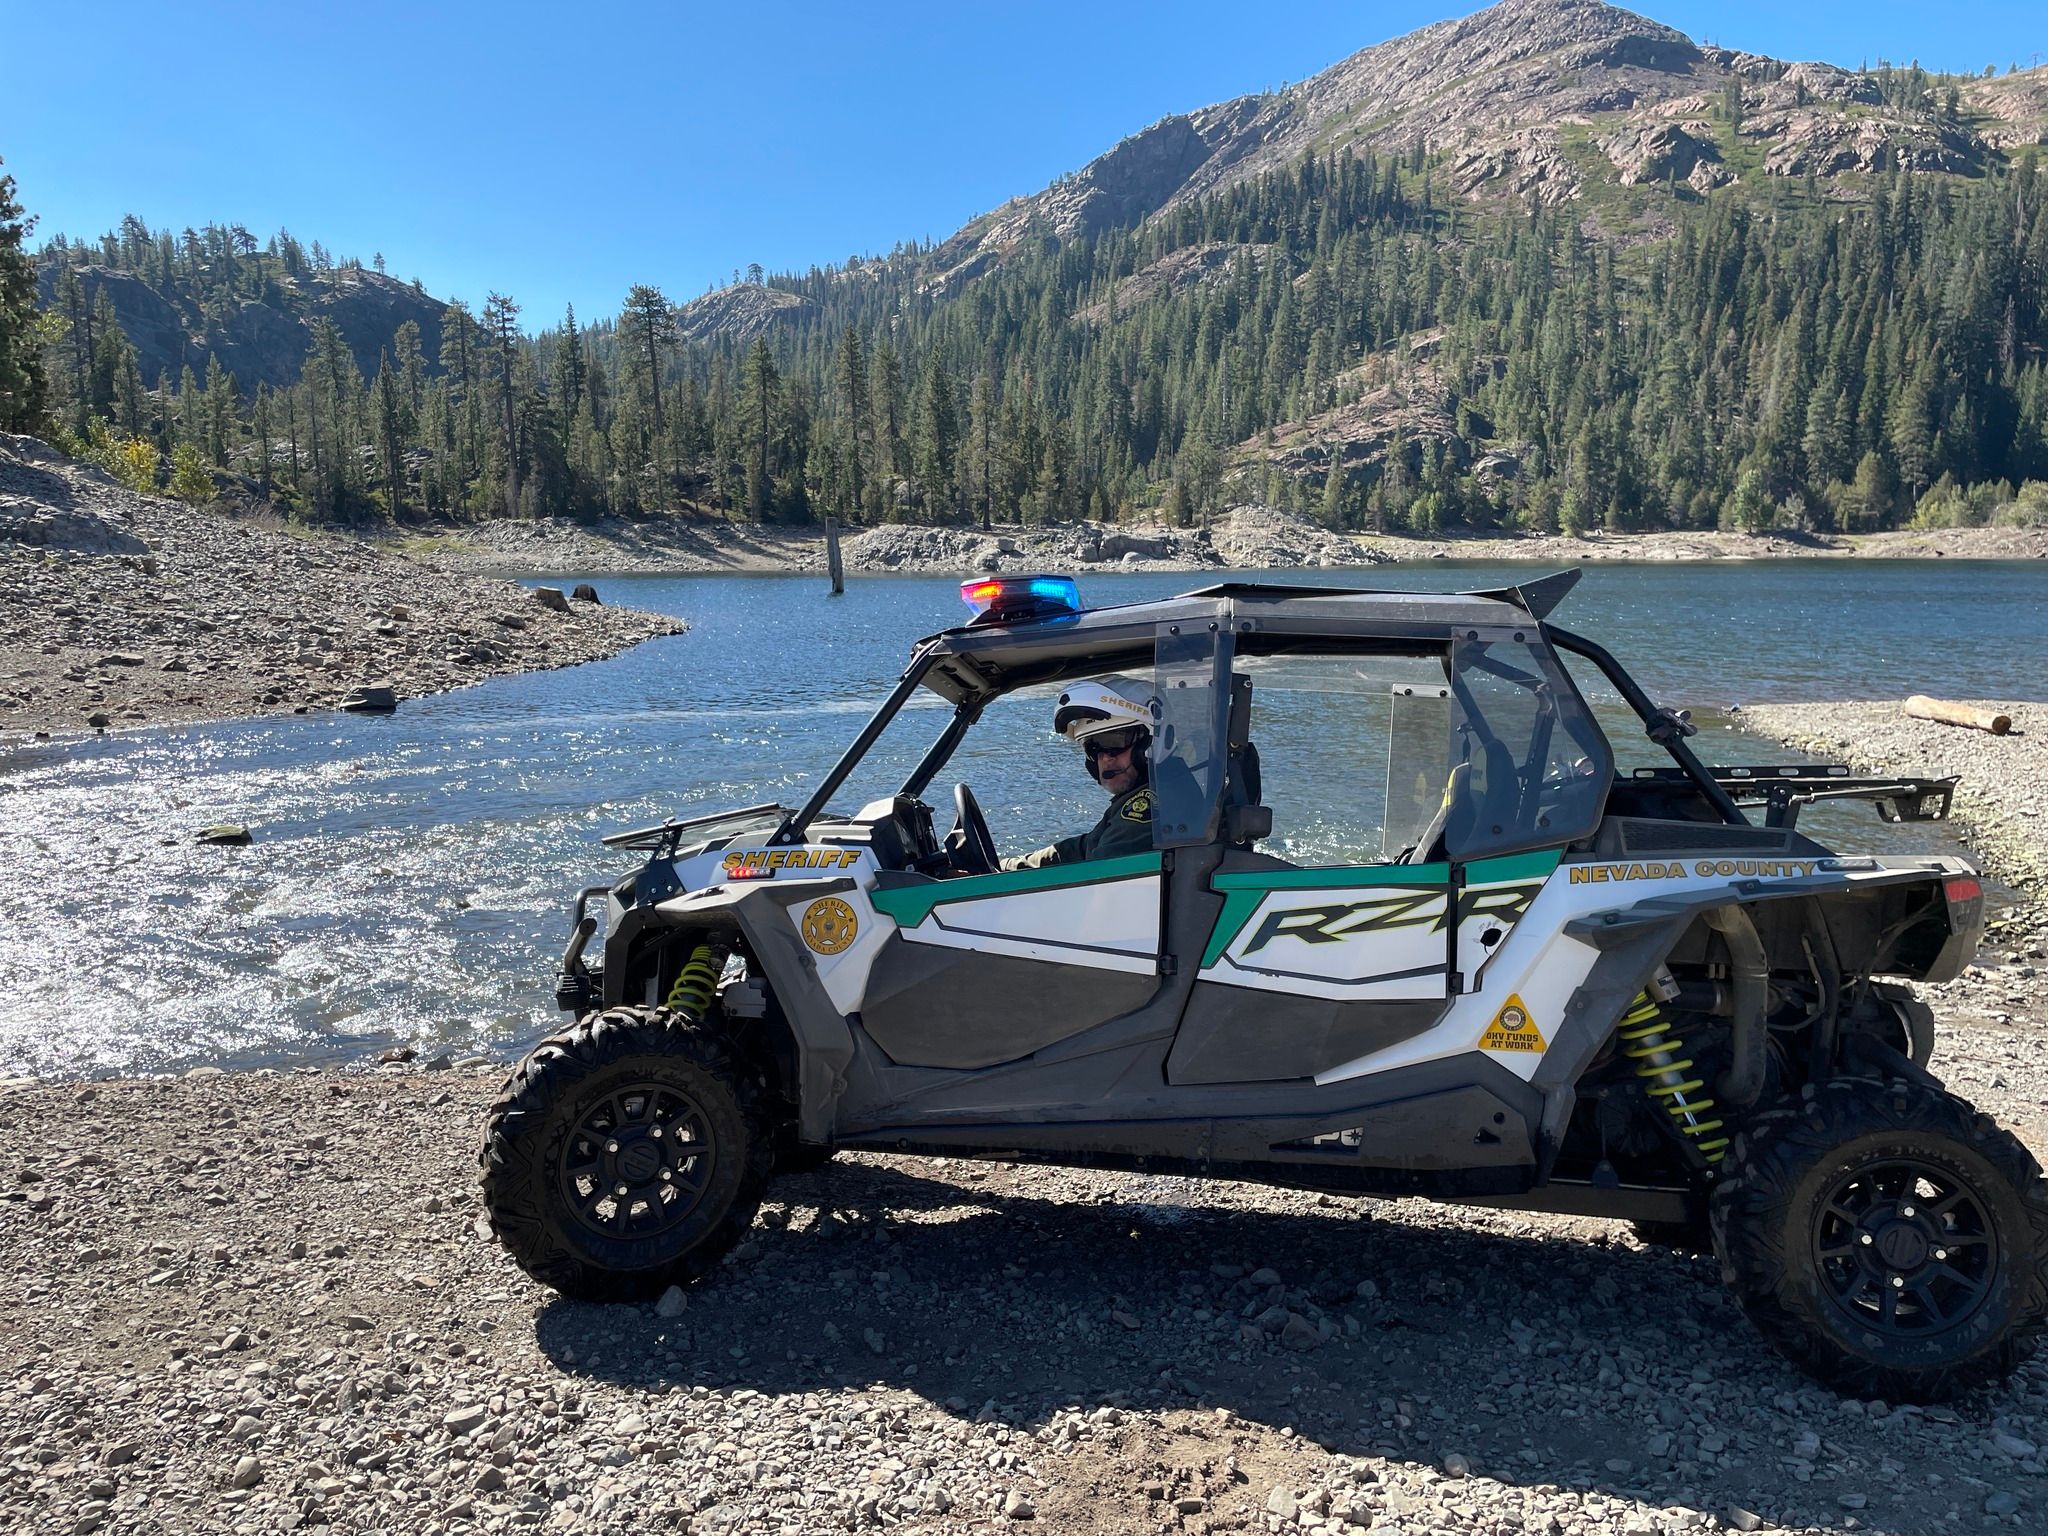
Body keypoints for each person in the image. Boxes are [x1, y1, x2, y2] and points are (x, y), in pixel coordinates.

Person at [1002, 680, 1155, 870]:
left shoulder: (1149, 807)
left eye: (1114, 741)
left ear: (1152, 740)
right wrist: (1004, 866)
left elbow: (1100, 879)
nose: (1104, 758)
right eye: (1093, 747)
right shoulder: (1139, 798)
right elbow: (1080, 849)